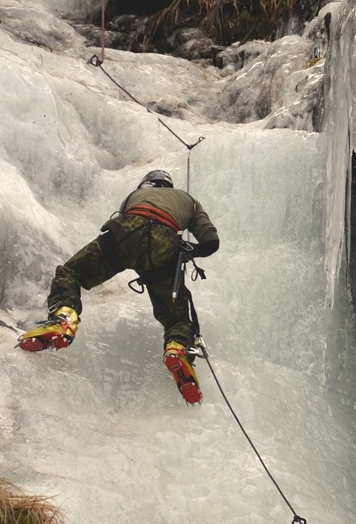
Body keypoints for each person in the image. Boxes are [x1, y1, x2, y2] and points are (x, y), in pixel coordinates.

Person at [18, 169, 219, 403]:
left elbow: (130, 224)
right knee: (177, 319)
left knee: (71, 273)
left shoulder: (135, 195)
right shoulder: (190, 202)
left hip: (126, 231)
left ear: (147, 183)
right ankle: (176, 349)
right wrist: (187, 250)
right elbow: (211, 243)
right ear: (170, 185)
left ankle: (64, 319)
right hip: (164, 244)